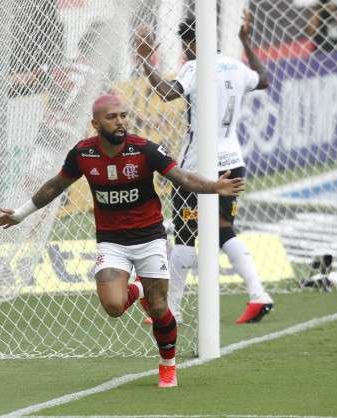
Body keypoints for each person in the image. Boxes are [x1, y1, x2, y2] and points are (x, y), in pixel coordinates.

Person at [0, 94, 245, 387]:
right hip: (111, 242)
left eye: (124, 115)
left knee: (160, 307)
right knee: (114, 307)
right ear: (95, 123)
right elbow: (55, 185)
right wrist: (21, 215)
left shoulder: (146, 150)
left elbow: (182, 178)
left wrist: (215, 186)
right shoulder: (83, 154)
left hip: (150, 238)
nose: (121, 121)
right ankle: (136, 290)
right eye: (112, 117)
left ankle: (168, 364)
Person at [134, 11, 274, 324]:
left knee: (184, 235)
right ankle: (258, 294)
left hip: (197, 167)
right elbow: (264, 79)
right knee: (224, 230)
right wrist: (245, 41)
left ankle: (173, 309)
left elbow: (166, 92)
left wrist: (145, 60)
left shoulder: (195, 68)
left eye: (186, 44)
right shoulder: (237, 67)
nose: (185, 50)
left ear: (197, 41)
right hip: (233, 161)